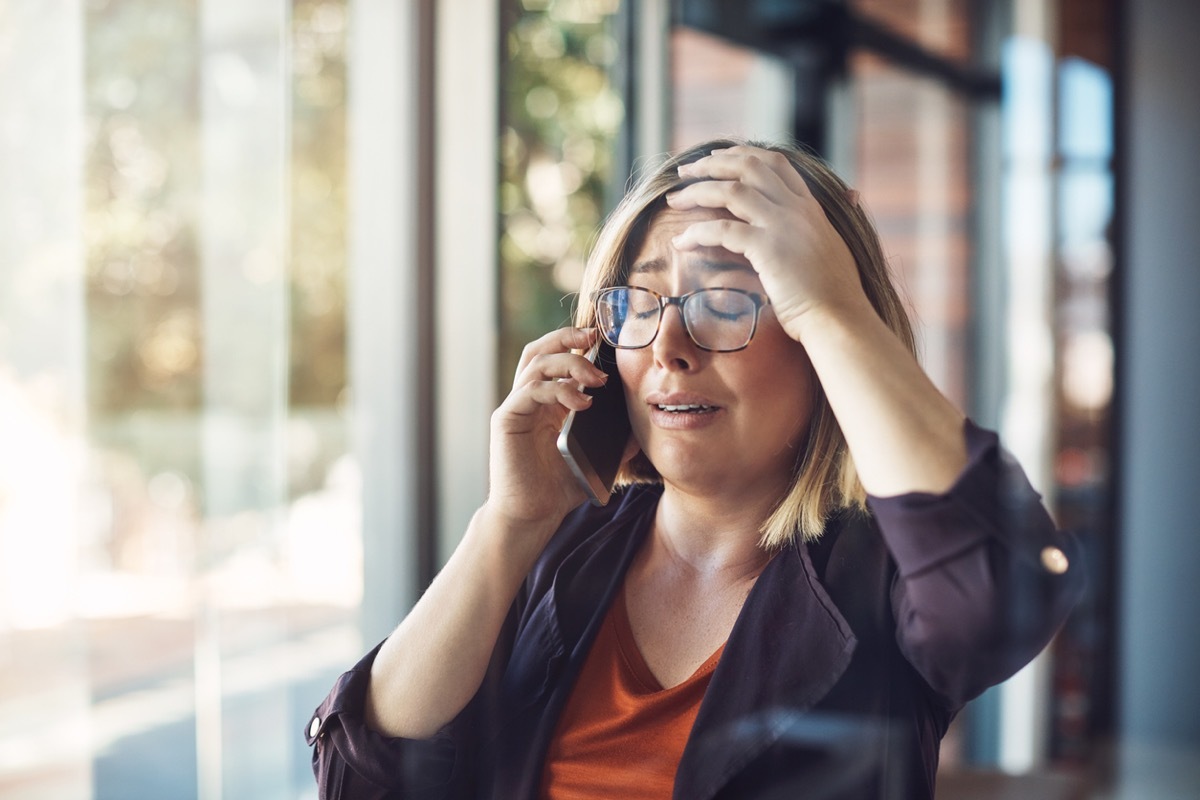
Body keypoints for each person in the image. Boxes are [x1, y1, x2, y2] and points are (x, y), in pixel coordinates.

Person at [305, 139, 1084, 799]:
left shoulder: (881, 578)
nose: (669, 348)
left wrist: (834, 305)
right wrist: (506, 527)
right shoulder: (557, 552)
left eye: (726, 300)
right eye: (640, 304)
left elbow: (999, 592)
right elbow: (362, 777)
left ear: (821, 342)